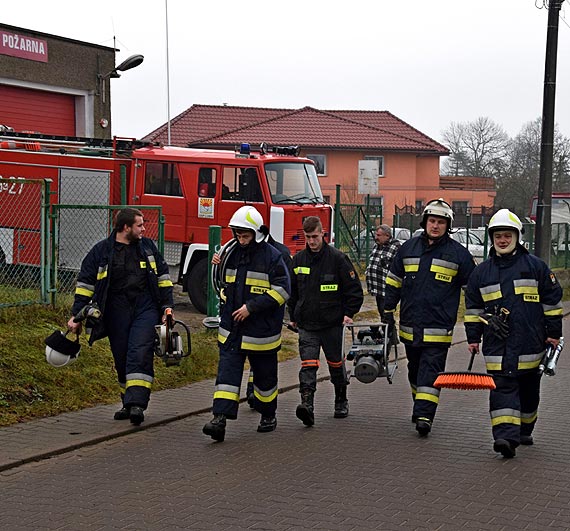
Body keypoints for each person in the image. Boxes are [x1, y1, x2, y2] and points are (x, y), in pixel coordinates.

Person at [464, 209, 562, 458]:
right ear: (492, 238)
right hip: (498, 347)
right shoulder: (481, 273)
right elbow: (473, 308)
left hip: (530, 344)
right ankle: (505, 437)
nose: (503, 240)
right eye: (498, 236)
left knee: (529, 394)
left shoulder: (536, 267)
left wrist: (554, 334)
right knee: (502, 389)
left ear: (518, 237)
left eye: (507, 235)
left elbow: (552, 303)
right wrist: (474, 337)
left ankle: (525, 428)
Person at [67, 208, 174, 426]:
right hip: (116, 310)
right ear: (126, 227)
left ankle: (137, 404)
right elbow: (86, 285)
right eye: (139, 225)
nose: (144, 229)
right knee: (121, 354)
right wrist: (76, 316)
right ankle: (127, 402)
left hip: (145, 307)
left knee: (139, 350)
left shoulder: (147, 248)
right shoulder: (101, 252)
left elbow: (163, 277)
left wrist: (167, 307)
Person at [384, 198, 476, 436]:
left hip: (439, 328)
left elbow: (474, 290)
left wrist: (480, 319)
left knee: (430, 370)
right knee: (414, 370)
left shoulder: (459, 255)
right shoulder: (407, 249)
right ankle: (420, 404)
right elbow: (393, 282)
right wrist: (387, 309)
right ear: (425, 222)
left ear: (448, 225)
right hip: (409, 326)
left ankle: (425, 415)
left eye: (441, 222)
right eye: (432, 221)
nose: (436, 226)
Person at [203, 205, 290, 442]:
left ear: (257, 233)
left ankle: (268, 414)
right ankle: (219, 420)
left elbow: (283, 290)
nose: (241, 240)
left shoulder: (273, 257)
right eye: (238, 235)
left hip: (262, 334)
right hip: (233, 331)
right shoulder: (230, 254)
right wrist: (217, 264)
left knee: (265, 379)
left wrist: (251, 307)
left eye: (245, 235)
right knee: (227, 377)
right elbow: (220, 284)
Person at [288, 216, 364, 426]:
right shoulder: (298, 260)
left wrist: (349, 313)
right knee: (308, 365)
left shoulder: (338, 259)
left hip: (332, 324)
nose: (312, 241)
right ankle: (307, 405)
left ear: (323, 234)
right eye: (308, 237)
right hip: (307, 325)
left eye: (315, 236)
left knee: (335, 364)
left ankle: (341, 399)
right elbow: (293, 292)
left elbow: (354, 291)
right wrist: (293, 316)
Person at [365, 224, 401, 321]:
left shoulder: (395, 247)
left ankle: (390, 334)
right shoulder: (377, 246)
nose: (376, 237)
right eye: (376, 235)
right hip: (377, 287)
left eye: (379, 235)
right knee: (381, 313)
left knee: (387, 315)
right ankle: (385, 334)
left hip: (387, 288)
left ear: (387, 236)